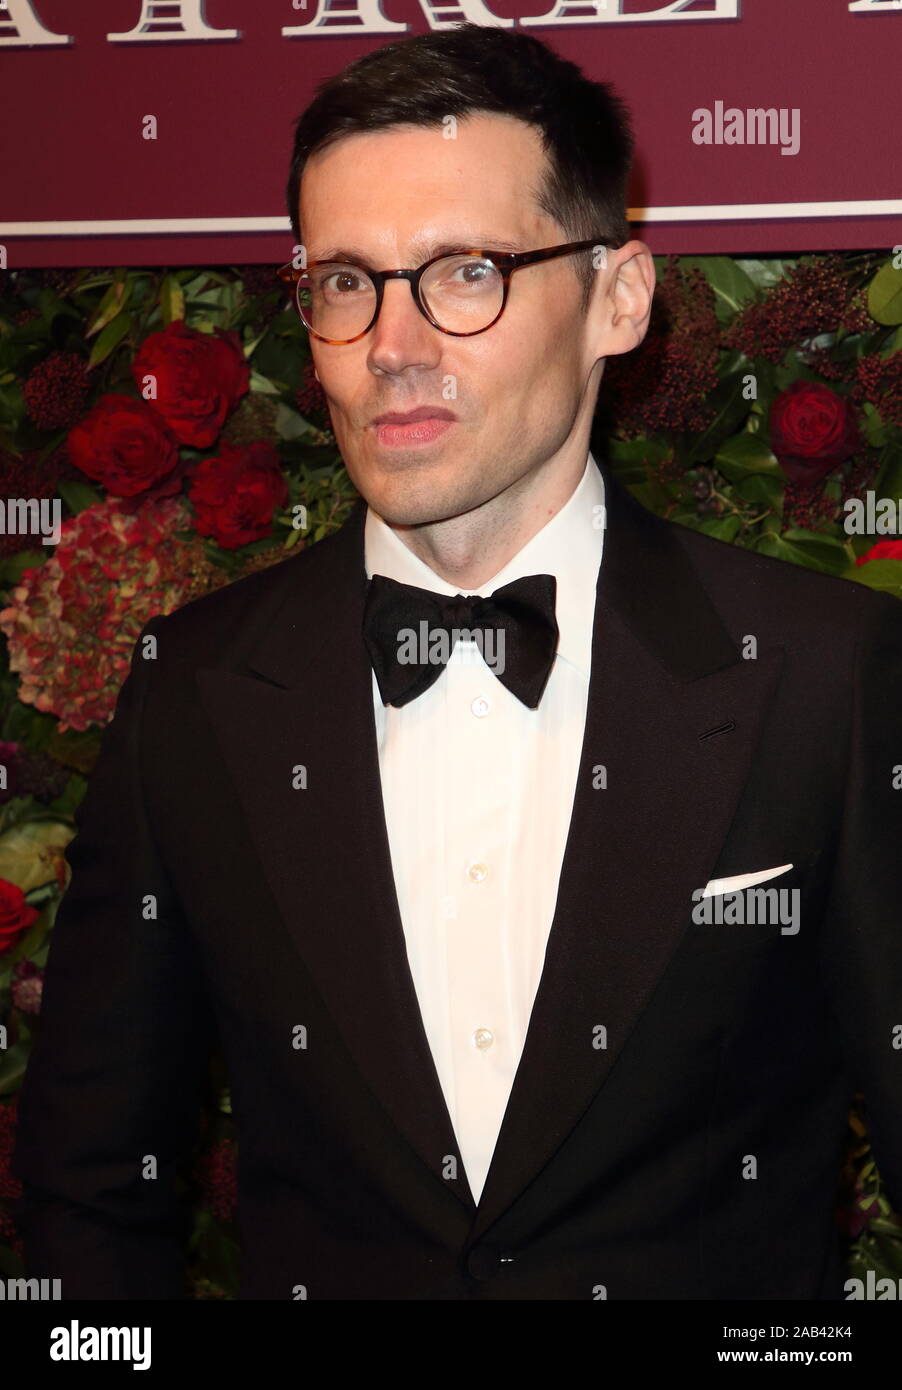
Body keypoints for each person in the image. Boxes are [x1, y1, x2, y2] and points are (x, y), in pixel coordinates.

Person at [13, 22, 902, 1301]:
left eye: (465, 272)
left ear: (617, 299)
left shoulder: (823, 676)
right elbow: (93, 1181)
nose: (391, 343)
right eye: (343, 282)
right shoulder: (195, 690)